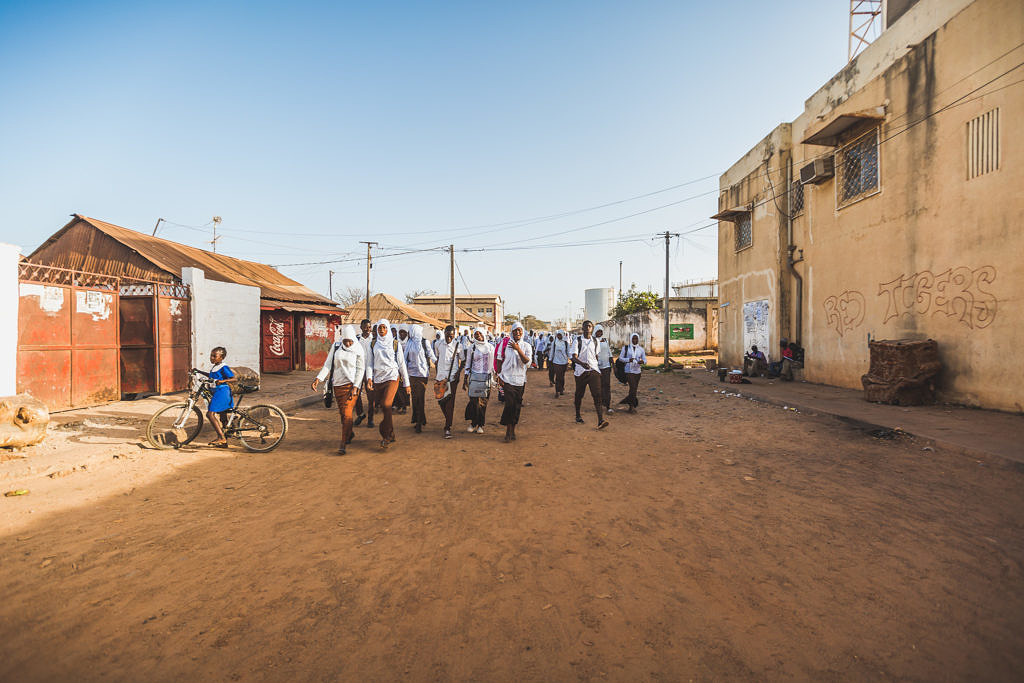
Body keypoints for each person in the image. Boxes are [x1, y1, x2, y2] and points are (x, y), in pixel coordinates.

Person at [312, 324, 364, 455]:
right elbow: (328, 364)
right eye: (345, 341)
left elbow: (360, 369)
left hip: (351, 386)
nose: (348, 344)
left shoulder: (358, 349)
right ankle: (349, 433)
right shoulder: (336, 346)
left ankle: (343, 443)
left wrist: (356, 386)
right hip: (337, 385)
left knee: (347, 414)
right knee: (343, 414)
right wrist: (318, 379)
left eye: (350, 341)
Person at [365, 318, 411, 449]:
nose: (382, 330)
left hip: (392, 377)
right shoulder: (373, 344)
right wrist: (369, 378)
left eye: (384, 327)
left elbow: (401, 364)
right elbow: (369, 363)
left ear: (388, 329)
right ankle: (391, 433)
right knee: (382, 407)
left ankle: (385, 436)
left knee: (386, 404)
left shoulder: (395, 344)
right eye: (379, 328)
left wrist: (407, 383)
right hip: (378, 379)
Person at [497, 322, 532, 442]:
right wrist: (499, 375)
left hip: (520, 380)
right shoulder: (505, 344)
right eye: (515, 330)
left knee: (517, 406)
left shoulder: (526, 346)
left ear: (522, 332)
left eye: (519, 330)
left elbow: (527, 362)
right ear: (512, 332)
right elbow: (499, 359)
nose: (517, 332)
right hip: (507, 379)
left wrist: (518, 349)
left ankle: (513, 429)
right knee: (509, 404)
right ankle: (508, 431)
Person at [571, 320, 609, 429]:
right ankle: (578, 415)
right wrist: (582, 364)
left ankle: (600, 420)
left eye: (590, 326)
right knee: (579, 394)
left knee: (597, 394)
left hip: (593, 371)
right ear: (582, 328)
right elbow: (573, 357)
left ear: (592, 328)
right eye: (586, 326)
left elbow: (596, 356)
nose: (588, 328)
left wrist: (596, 367)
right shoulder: (577, 340)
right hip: (581, 372)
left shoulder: (596, 341)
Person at [404, 324, 436, 432]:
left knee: (420, 397)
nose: (409, 334)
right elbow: (405, 357)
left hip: (422, 374)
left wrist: (438, 363)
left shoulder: (425, 342)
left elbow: (431, 354)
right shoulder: (409, 343)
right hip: (412, 374)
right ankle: (420, 419)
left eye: (410, 332)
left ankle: (419, 423)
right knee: (414, 398)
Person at [201, 346, 235, 448]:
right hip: (217, 392)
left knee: (210, 414)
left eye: (214, 356)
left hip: (222, 392)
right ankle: (225, 439)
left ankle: (221, 437)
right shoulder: (215, 366)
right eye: (211, 355)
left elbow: (234, 378)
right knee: (222, 414)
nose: (211, 358)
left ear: (222, 357)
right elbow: (212, 376)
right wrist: (199, 371)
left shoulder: (224, 367)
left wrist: (223, 381)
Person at [462, 327, 495, 434]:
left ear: (484, 334)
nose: (478, 335)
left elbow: (493, 364)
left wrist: (494, 377)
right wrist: (465, 378)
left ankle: (480, 425)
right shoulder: (472, 347)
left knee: (483, 402)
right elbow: (468, 363)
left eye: (480, 333)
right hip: (474, 377)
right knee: (474, 401)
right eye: (476, 334)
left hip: (486, 378)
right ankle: (473, 423)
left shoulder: (490, 347)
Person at [435, 324, 463, 439]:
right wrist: (437, 373)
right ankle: (448, 419)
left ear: (454, 335)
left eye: (451, 335)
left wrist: (458, 373)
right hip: (440, 377)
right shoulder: (438, 344)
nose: (449, 337)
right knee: (441, 401)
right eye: (447, 335)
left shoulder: (458, 346)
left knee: (450, 403)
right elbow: (437, 359)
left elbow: (463, 360)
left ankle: (447, 427)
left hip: (452, 378)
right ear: (444, 333)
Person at [617, 333, 646, 413]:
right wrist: (628, 360)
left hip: (637, 371)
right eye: (633, 339)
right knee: (633, 387)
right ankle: (632, 406)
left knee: (634, 389)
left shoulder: (641, 349)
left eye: (636, 339)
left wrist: (642, 362)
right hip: (629, 371)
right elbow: (620, 358)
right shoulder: (626, 348)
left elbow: (645, 359)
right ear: (631, 339)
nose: (635, 340)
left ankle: (628, 400)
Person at [354, 318, 373, 427]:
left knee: (371, 396)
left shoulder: (374, 340)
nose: (367, 329)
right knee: (356, 392)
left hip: (370, 370)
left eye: (369, 327)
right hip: (358, 370)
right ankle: (360, 414)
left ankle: (370, 419)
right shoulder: (356, 340)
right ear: (361, 327)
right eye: (365, 327)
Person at [594, 324, 613, 414]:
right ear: (595, 332)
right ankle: (600, 404)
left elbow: (609, 352)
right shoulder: (593, 341)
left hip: (606, 366)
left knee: (607, 385)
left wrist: (613, 364)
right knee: (599, 386)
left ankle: (608, 404)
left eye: (601, 331)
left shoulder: (605, 340)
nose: (599, 333)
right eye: (598, 331)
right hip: (597, 367)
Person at [548, 330, 570, 396]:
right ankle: (557, 391)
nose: (558, 336)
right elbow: (552, 351)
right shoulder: (554, 342)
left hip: (564, 362)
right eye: (558, 335)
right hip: (556, 362)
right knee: (558, 376)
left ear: (563, 335)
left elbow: (568, 353)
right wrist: (550, 359)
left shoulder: (566, 343)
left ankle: (561, 389)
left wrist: (571, 359)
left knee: (562, 377)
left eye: (560, 335)